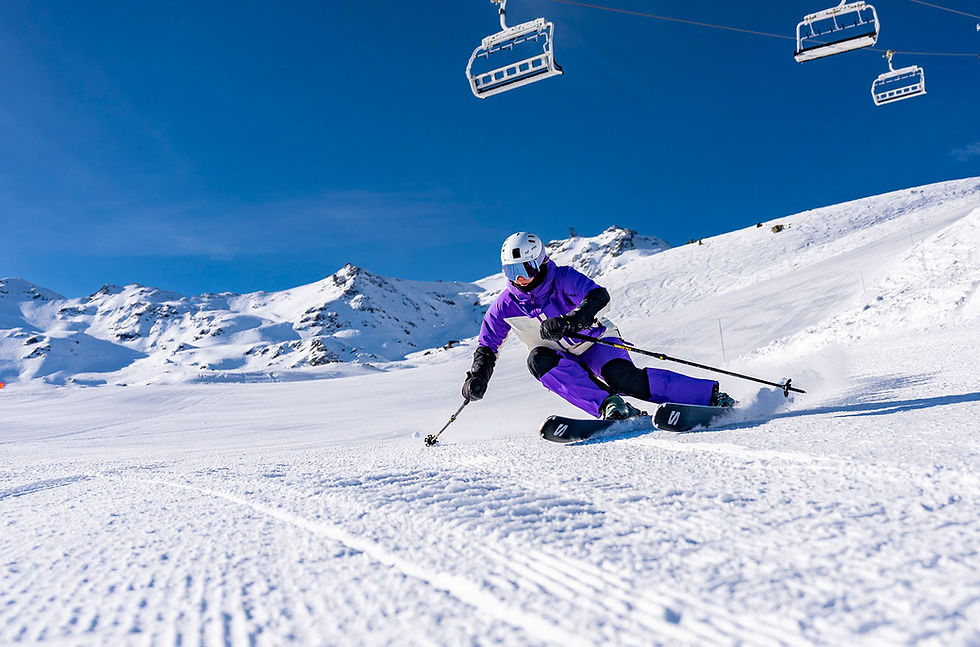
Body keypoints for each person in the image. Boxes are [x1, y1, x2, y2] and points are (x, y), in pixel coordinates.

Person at [462, 232, 735, 419]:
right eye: (512, 272)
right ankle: (611, 406)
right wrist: (477, 378)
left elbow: (598, 296)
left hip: (595, 341)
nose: (520, 279)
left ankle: (709, 397)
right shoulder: (504, 306)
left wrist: (571, 321)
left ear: (541, 262)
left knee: (625, 379)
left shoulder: (563, 278)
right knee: (537, 360)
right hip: (559, 358)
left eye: (526, 269)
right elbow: (487, 346)